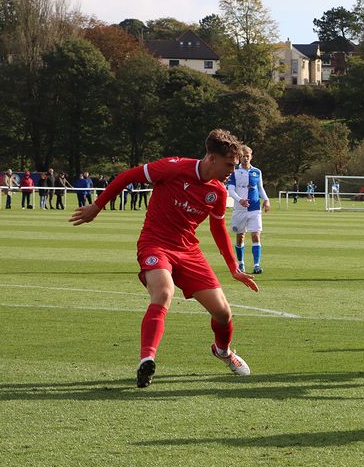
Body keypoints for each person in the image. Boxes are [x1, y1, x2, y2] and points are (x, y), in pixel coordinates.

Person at [69, 129, 259, 388]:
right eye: (229, 165)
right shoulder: (173, 167)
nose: (232, 171)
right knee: (163, 292)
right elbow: (128, 176)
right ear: (212, 159)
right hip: (155, 244)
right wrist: (97, 206)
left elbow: (218, 228)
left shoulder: (218, 192)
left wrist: (233, 268)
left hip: (189, 252)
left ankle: (223, 351)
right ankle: (147, 359)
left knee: (223, 313)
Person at [226, 145, 270, 274]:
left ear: (251, 156)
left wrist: (266, 199)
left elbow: (260, 188)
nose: (245, 158)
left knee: (256, 235)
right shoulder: (234, 171)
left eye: (247, 156)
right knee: (240, 238)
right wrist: (240, 200)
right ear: (239, 157)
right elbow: (231, 189)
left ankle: (257, 265)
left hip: (255, 208)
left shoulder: (257, 171)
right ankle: (241, 263)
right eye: (243, 156)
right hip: (239, 209)